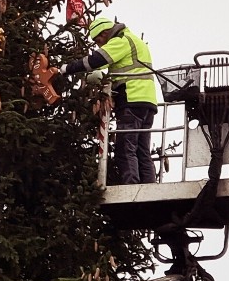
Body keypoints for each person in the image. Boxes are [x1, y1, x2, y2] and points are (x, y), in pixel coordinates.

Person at [58, 17, 159, 184]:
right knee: (142, 150)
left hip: (132, 100)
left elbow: (96, 60)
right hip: (147, 102)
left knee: (126, 148)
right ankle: (150, 186)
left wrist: (66, 69)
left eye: (99, 40)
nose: (99, 45)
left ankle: (131, 188)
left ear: (105, 33)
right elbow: (106, 65)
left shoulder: (122, 41)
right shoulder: (133, 40)